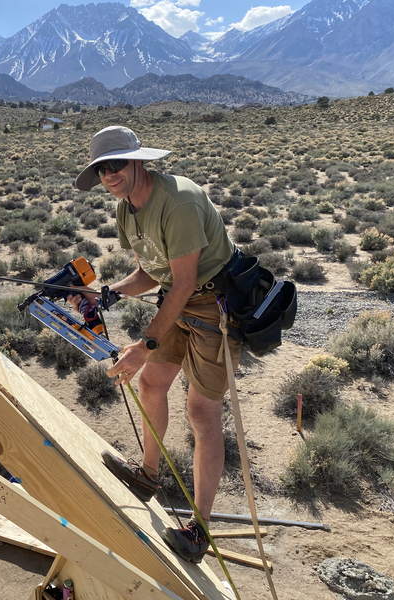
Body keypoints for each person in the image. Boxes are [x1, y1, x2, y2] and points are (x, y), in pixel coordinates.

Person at [71, 126, 242, 563]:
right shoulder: (127, 209)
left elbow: (183, 282)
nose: (109, 175)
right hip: (180, 302)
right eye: (101, 169)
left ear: (138, 162)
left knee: (201, 412)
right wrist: (107, 292)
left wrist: (143, 345)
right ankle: (148, 475)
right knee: (151, 386)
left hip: (214, 307)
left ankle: (199, 531)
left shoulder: (178, 201)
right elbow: (153, 273)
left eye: (116, 165)